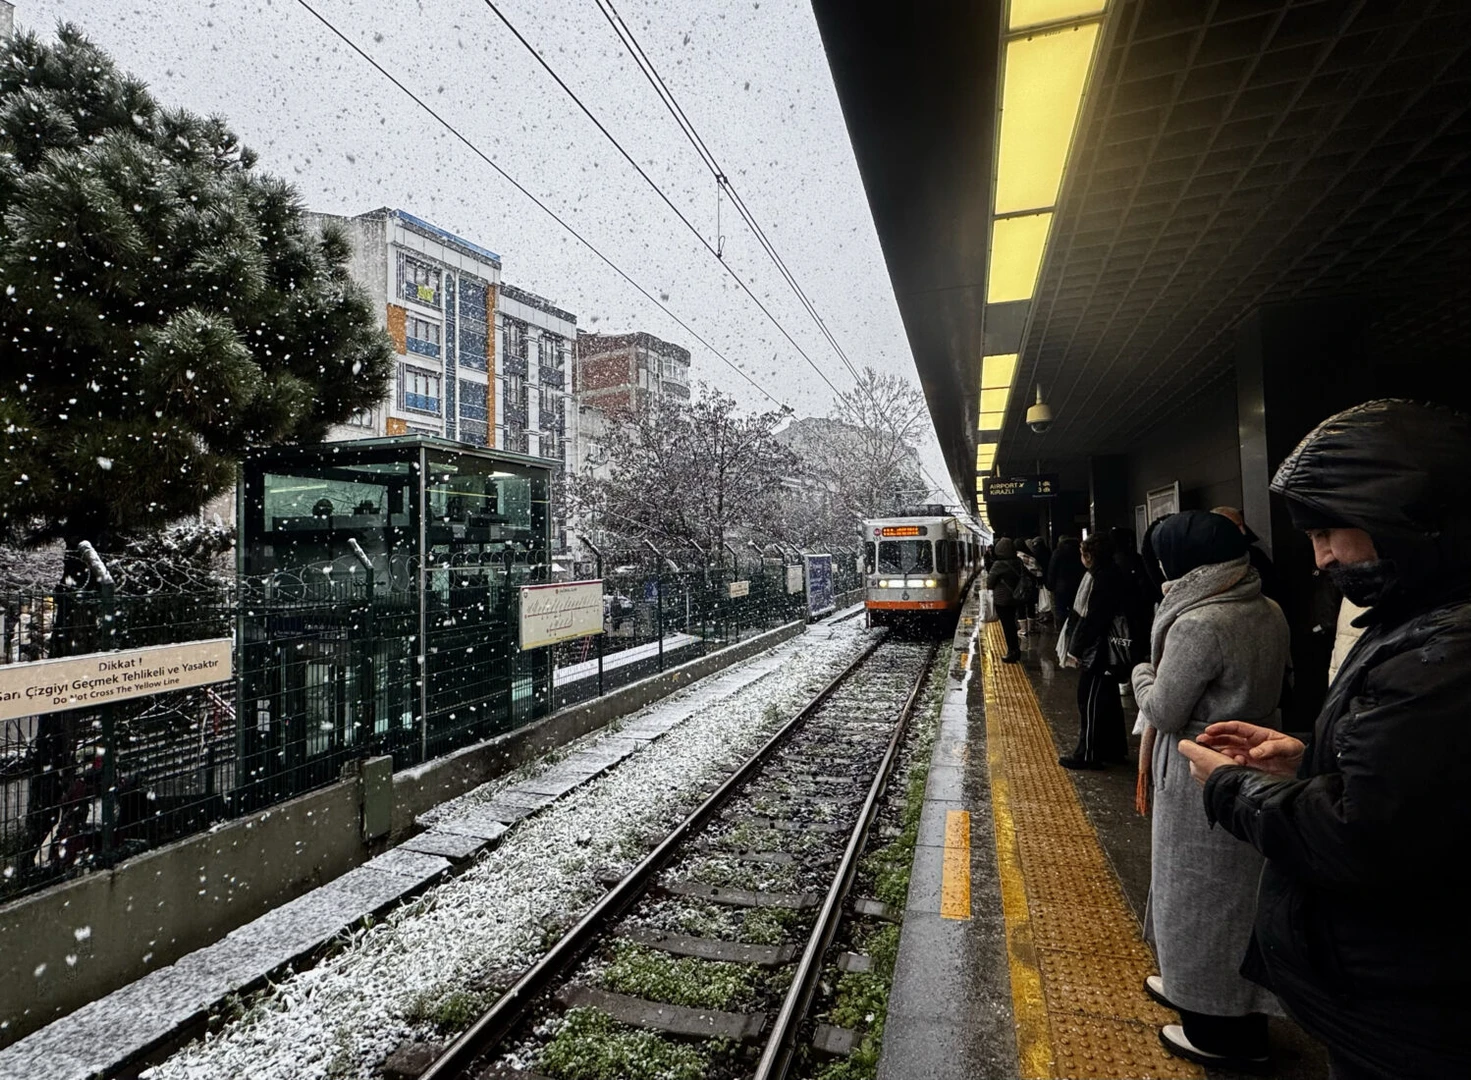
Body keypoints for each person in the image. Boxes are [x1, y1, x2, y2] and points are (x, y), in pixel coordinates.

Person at [1178, 400, 1471, 1080]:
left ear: (1406, 513)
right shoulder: (1422, 620)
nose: (1319, 558)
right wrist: (1308, 756)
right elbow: (1413, 779)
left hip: (1412, 1010)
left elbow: (1364, 835)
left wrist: (1229, 787)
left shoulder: (1445, 649)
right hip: (1401, 993)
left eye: (1328, 531)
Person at [1131, 511, 1289, 1071]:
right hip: (1253, 762)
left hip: (1202, 771)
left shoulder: (1199, 622)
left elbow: (1165, 708)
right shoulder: (1266, 607)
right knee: (1230, 898)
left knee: (1199, 897)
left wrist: (1141, 673)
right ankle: (1192, 984)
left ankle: (1219, 1030)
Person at [1062, 532, 1129, 768]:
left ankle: (1088, 754)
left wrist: (1077, 648)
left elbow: (1096, 618)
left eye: (1083, 554)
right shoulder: (1111, 572)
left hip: (1101, 650)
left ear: (1090, 556)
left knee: (1089, 700)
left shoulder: (1103, 578)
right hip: (1106, 648)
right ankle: (1114, 750)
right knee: (1108, 699)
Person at [1212, 506, 1284, 605]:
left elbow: (1272, 587)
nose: (1242, 531)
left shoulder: (1255, 554)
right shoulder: (1209, 560)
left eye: (1242, 524)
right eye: (1236, 526)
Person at [987, 537, 1025, 663]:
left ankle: (1013, 652)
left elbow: (989, 583)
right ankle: (1016, 650)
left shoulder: (998, 565)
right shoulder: (1018, 561)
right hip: (1017, 597)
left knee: (1008, 626)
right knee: (1013, 624)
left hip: (1003, 600)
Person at [1046, 536, 1085, 632]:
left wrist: (1050, 585)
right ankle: (1075, 630)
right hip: (1078, 585)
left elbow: (1052, 570)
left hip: (1061, 587)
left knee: (1061, 610)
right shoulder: (1079, 552)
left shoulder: (1058, 552)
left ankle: (1063, 631)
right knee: (1076, 609)